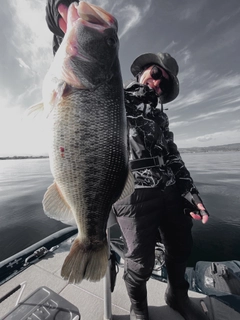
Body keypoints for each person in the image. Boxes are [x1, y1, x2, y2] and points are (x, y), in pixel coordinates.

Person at [45, 2, 210, 319]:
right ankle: (138, 309)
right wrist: (63, 18)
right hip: (132, 193)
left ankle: (177, 296)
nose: (158, 83)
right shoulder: (115, 93)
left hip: (171, 191)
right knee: (140, 260)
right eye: (157, 74)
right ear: (144, 70)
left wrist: (190, 191)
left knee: (181, 248)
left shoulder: (160, 118)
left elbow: (173, 156)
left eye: (166, 83)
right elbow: (74, 69)